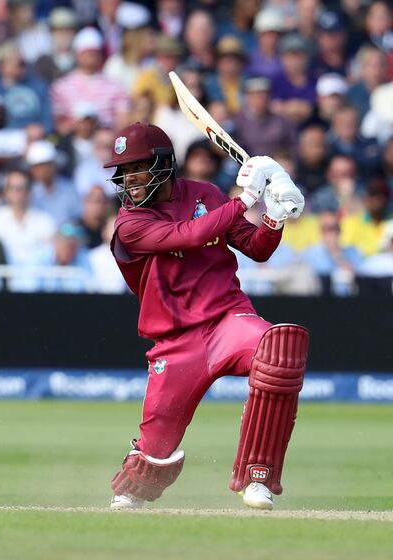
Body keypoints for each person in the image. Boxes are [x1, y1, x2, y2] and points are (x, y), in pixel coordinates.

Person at [105, 122, 309, 511]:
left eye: (137, 168)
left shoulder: (206, 194)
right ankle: (133, 484)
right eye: (124, 171)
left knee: (278, 351)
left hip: (228, 319)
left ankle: (257, 478)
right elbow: (188, 234)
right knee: (153, 458)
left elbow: (256, 248)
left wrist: (274, 215)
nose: (129, 180)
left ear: (163, 165)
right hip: (175, 340)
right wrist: (247, 195)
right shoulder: (129, 224)